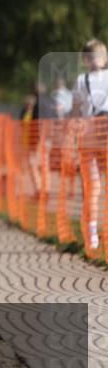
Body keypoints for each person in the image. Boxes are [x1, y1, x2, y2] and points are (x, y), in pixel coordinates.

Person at [71, 39, 108, 249]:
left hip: (87, 137)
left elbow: (75, 112)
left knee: (92, 187)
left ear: (85, 60)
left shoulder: (80, 80)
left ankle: (92, 233)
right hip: (106, 135)